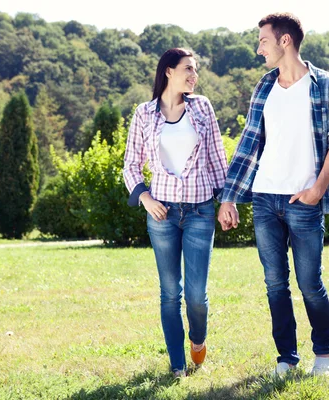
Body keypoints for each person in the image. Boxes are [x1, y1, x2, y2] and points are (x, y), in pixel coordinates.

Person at [218, 13, 329, 376]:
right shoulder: (263, 87)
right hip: (264, 198)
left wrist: (317, 190)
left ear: (285, 41)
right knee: (275, 283)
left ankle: (323, 354)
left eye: (263, 40)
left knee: (310, 283)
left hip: (303, 200)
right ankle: (286, 358)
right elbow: (249, 142)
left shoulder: (325, 84)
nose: (258, 48)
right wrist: (229, 196)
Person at [123, 48, 228, 378]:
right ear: (168, 71)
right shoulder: (144, 113)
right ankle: (177, 365)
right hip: (162, 216)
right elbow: (130, 166)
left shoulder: (202, 107)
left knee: (196, 296)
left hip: (200, 211)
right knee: (170, 293)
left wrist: (228, 201)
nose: (194, 75)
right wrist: (144, 198)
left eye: (195, 70)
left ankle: (197, 340)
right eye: (188, 69)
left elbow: (217, 159)